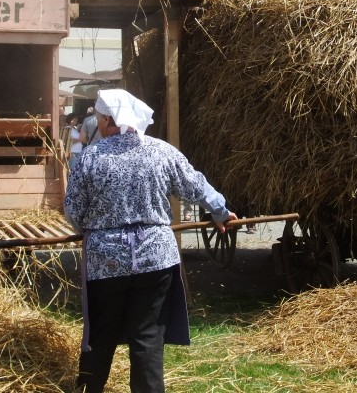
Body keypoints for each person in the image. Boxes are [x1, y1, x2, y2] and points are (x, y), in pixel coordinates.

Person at [64, 89, 237, 392]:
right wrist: (221, 212)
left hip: (107, 263)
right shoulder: (161, 151)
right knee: (146, 338)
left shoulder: (90, 158)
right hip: (155, 259)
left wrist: (92, 229)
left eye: (99, 119)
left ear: (106, 119)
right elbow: (195, 185)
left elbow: (74, 210)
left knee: (100, 335)